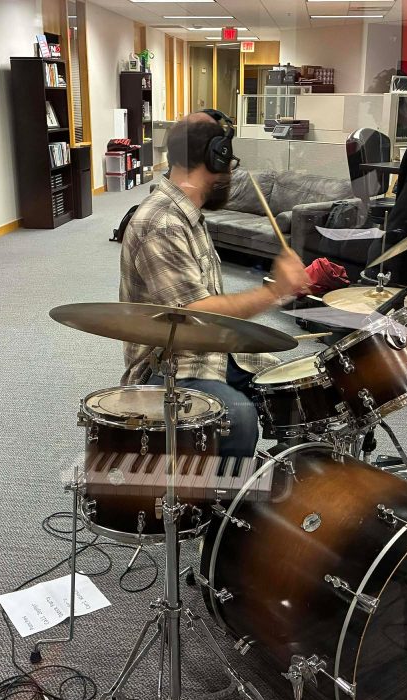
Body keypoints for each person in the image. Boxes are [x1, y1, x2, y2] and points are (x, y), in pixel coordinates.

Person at [119, 111, 310, 456]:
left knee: (297, 390)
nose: (231, 172)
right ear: (214, 157)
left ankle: (278, 480)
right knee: (238, 417)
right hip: (167, 365)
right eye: (228, 161)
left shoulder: (190, 216)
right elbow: (197, 312)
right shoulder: (161, 222)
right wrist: (275, 290)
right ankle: (219, 505)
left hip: (207, 348)